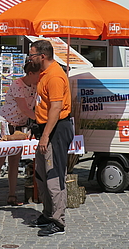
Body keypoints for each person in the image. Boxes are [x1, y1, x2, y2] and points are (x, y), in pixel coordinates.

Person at [27, 40, 73, 237]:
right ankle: (47, 213)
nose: (30, 58)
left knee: (54, 174)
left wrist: (46, 136)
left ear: (42, 56)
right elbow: (44, 106)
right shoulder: (44, 75)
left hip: (56, 129)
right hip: (46, 128)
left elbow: (55, 108)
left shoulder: (54, 76)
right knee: (42, 174)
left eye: (32, 55)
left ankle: (58, 219)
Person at [0, 61, 41, 207]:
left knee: (15, 162)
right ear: (30, 74)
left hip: (20, 124)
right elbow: (24, 108)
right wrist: (41, 119)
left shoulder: (36, 85)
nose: (40, 77)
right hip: (5, 122)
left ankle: (12, 195)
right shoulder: (17, 85)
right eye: (38, 74)